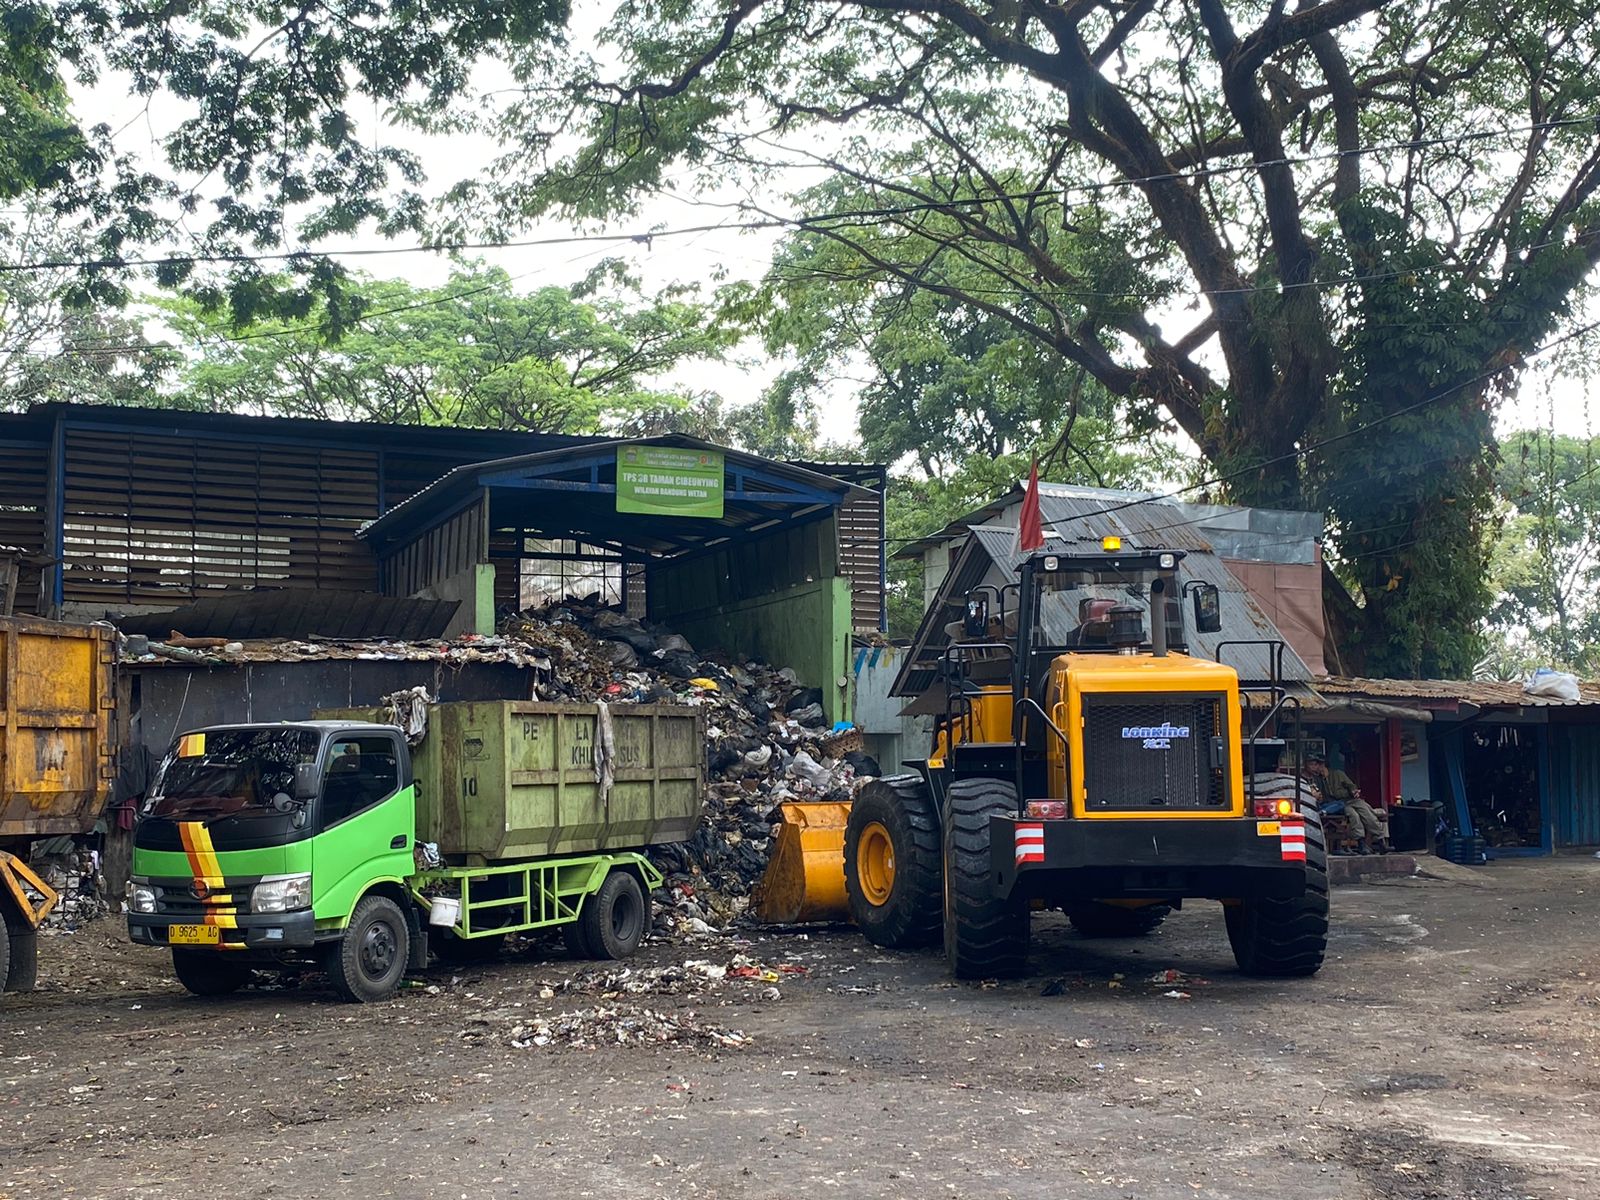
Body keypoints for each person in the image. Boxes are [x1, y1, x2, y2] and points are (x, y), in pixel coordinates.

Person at [1308, 754, 1388, 853]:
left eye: (1318, 765)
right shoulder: (1318, 780)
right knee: (1354, 816)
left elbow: (1351, 785)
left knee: (1367, 814)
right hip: (1340, 804)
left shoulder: (1338, 774)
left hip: (1351, 799)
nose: (1316, 768)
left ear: (1323, 765)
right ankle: (1361, 844)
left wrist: (1354, 791)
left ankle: (1381, 841)